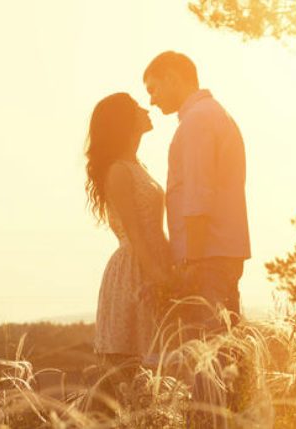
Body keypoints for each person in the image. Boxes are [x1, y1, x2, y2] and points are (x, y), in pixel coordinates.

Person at [143, 50, 250, 429]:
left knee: (208, 361)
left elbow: (198, 195)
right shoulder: (211, 115)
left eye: (154, 88)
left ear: (174, 77)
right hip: (221, 252)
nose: (151, 100)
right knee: (224, 357)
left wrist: (190, 260)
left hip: (207, 257)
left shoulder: (198, 122)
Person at [83, 92, 172, 405]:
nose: (146, 108)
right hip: (134, 272)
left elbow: (155, 230)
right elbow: (135, 234)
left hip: (151, 263)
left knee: (158, 371)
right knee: (130, 373)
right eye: (136, 107)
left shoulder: (137, 165)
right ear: (124, 121)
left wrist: (173, 265)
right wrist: (159, 277)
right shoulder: (119, 170)